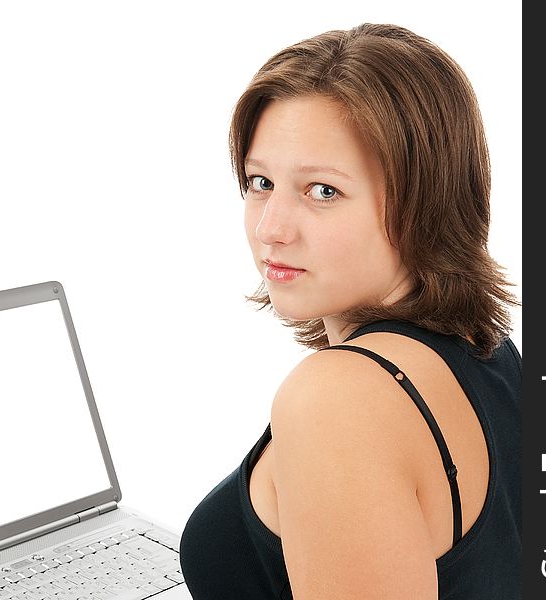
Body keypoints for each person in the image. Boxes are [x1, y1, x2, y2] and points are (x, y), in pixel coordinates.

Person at [179, 23, 522, 599]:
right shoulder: (492, 354)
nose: (271, 229)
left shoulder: (338, 397)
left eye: (323, 191)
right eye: (260, 182)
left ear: (425, 200)